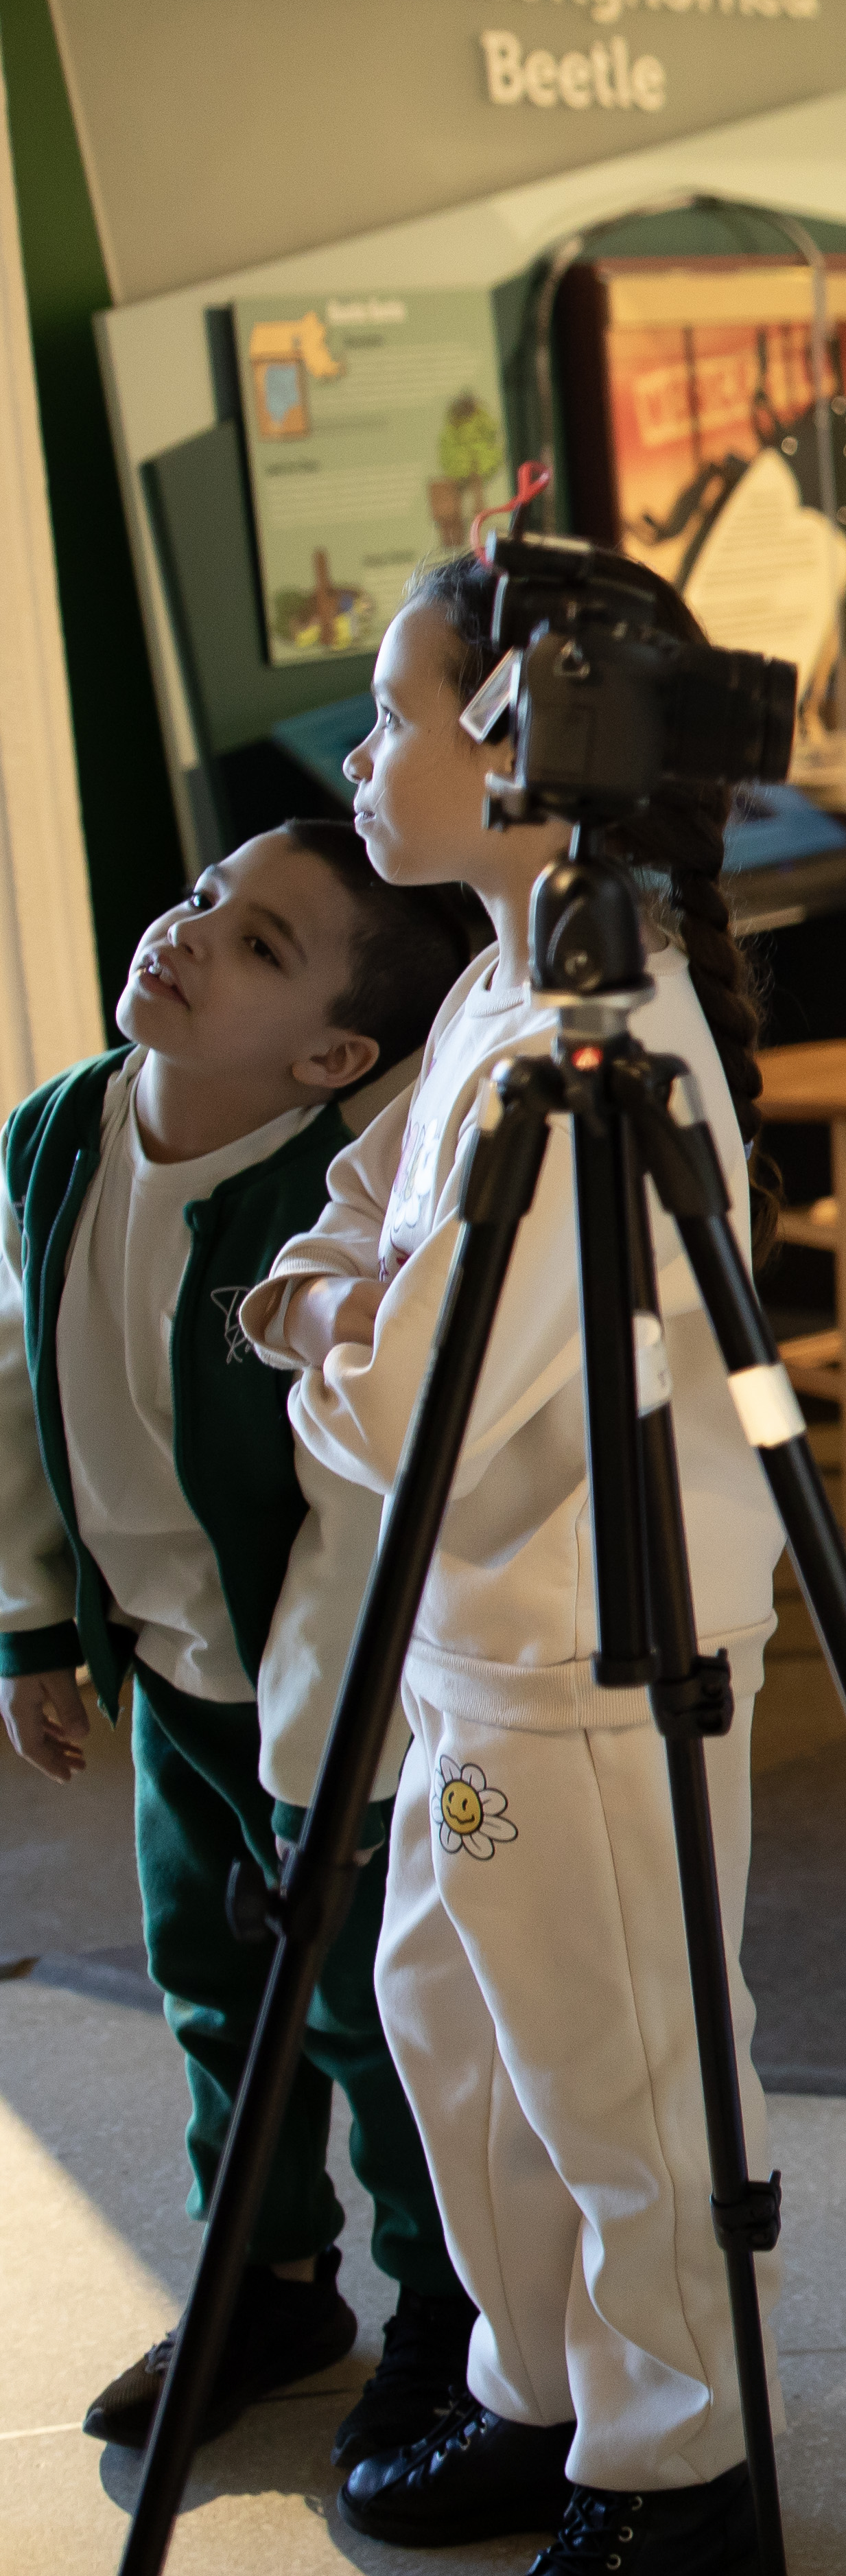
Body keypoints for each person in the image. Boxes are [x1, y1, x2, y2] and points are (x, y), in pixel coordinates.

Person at [244, 550, 789, 2576]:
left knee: (620, 2056)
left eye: (396, 714)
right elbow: (335, 1252)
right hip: (470, 1636)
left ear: (529, 752)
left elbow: (401, 1416)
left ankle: (681, 2467)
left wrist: (335, 1336)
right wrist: (342, 1318)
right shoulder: (498, 984)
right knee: (454, 2021)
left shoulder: (593, 1034)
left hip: (591, 1638)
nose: (363, 752)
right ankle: (542, 2392)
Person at [0, 817, 486, 2470]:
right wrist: (28, 1625)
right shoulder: (57, 1135)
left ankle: (447, 2307)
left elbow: (349, 1520)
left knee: (362, 2011)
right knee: (210, 1988)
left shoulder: (324, 1221)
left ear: (336, 1057)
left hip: (320, 1702)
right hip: (162, 1674)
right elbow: (13, 1384)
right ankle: (266, 2276)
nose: (189, 930)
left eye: (258, 945)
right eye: (207, 895)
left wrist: (323, 1756)